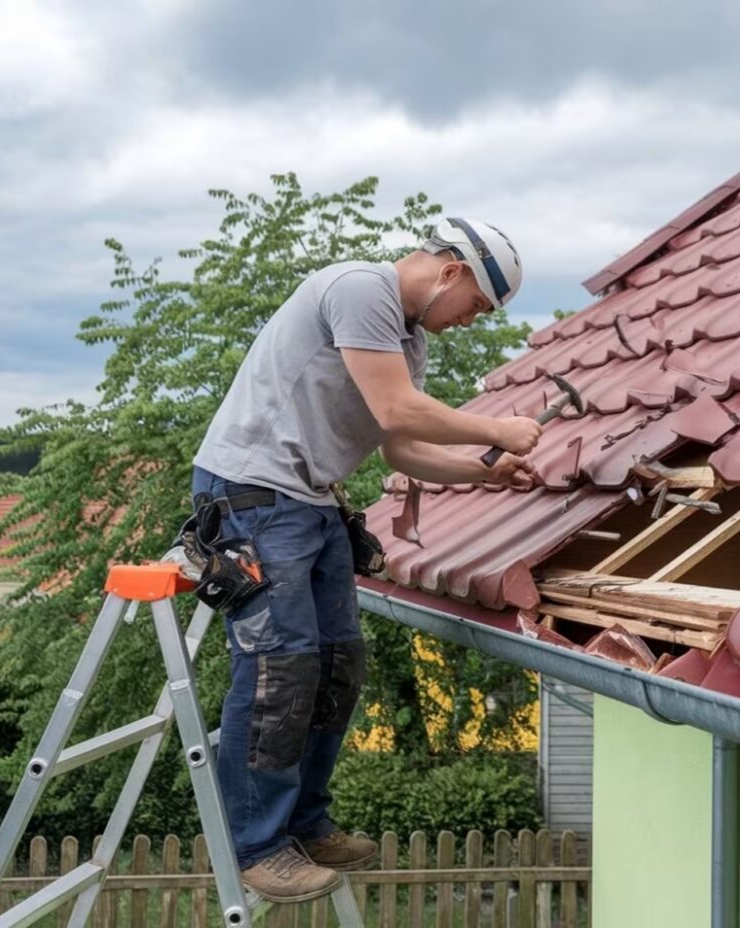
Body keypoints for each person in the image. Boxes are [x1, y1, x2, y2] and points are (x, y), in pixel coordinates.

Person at [190, 218, 543, 902]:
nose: (471, 322)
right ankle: (257, 845)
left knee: (339, 661)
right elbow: (397, 408)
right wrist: (499, 429)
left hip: (310, 502)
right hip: (252, 494)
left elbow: (400, 448)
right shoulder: (360, 289)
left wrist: (485, 471)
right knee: (281, 664)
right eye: (476, 306)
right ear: (450, 272)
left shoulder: (407, 341)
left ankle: (306, 823)